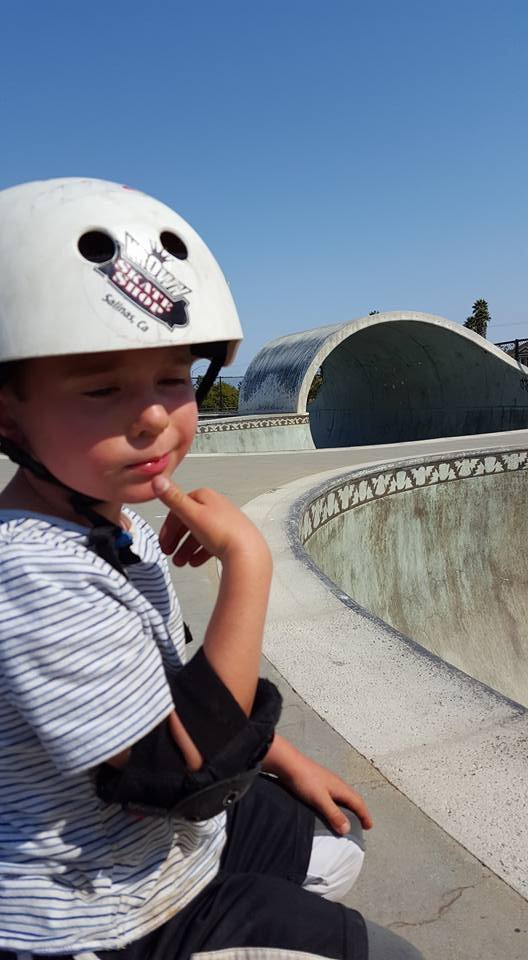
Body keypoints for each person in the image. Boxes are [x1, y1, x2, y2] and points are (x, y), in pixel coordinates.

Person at [0, 178, 422, 960]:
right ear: (7, 415)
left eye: (173, 378)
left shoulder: (110, 521)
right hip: (100, 910)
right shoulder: (31, 573)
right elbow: (181, 775)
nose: (155, 416)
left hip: (158, 846)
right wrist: (248, 565)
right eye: (102, 388)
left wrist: (282, 756)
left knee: (338, 843)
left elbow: (173, 688)